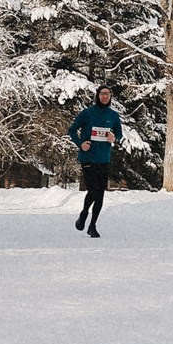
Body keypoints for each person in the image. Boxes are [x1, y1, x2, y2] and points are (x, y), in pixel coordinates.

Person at [66, 84, 124, 238]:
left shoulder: (113, 116)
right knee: (93, 190)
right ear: (97, 95)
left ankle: (92, 225)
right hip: (88, 158)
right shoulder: (87, 113)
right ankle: (84, 213)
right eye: (102, 93)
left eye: (108, 94)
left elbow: (119, 133)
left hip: (104, 158)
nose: (105, 96)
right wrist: (80, 144)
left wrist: (115, 138)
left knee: (100, 193)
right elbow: (71, 130)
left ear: (110, 96)